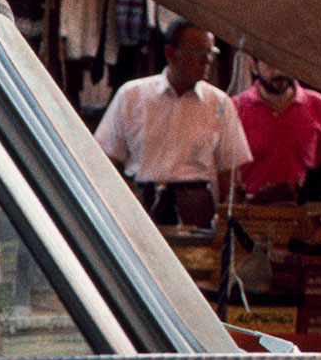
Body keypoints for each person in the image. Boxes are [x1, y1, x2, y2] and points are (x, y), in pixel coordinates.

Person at [89, 23, 248, 227]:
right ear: (171, 53)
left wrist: (228, 226)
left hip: (197, 208)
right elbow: (105, 160)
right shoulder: (132, 95)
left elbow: (229, 172)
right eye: (199, 52)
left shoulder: (220, 103)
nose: (207, 60)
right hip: (141, 206)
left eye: (211, 52)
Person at [230, 64, 321, 203]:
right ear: (253, 65)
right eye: (270, 63)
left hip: (304, 214)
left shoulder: (319, 106)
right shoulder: (235, 108)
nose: (280, 70)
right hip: (251, 214)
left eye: (284, 62)